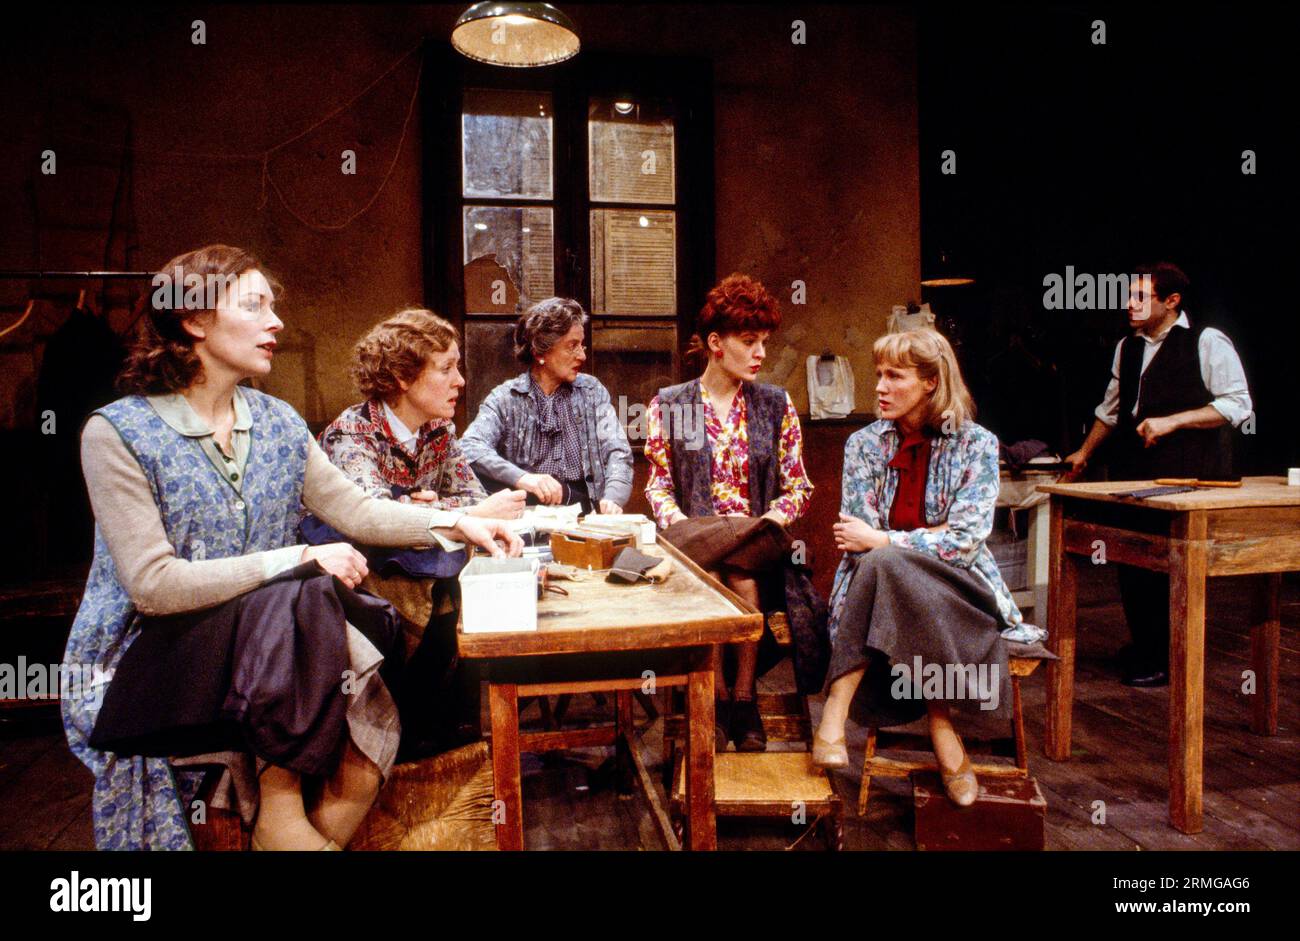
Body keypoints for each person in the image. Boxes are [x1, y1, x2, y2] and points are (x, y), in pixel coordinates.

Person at [60, 245, 521, 851]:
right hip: (150, 655)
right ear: (194, 320)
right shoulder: (118, 432)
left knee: (357, 706)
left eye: (273, 307)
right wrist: (297, 559)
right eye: (254, 306)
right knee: (302, 588)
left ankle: (292, 829)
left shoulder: (276, 421)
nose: (276, 321)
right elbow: (154, 586)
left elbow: (353, 510)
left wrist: (457, 525)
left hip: (267, 646)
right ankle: (279, 798)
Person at [811, 328, 1041, 807]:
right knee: (885, 564)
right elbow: (858, 542)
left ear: (931, 382)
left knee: (887, 557)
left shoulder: (977, 445)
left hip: (959, 589)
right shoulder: (863, 445)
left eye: (894, 376)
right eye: (878, 375)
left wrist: (886, 539)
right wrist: (915, 538)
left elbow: (964, 543)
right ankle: (942, 724)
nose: (879, 387)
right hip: (876, 585)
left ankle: (837, 706)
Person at [313, 308, 525, 754]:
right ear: (404, 378)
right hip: (358, 583)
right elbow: (370, 517)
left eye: (459, 367)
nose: (460, 381)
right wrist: (440, 510)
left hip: (424, 566)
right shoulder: (352, 433)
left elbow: (472, 498)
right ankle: (396, 739)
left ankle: (450, 734)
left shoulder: (439, 431)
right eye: (446, 368)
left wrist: (429, 506)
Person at [644, 273, 827, 753]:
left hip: (758, 536)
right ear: (715, 344)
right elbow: (659, 486)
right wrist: (681, 526)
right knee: (723, 570)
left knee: (740, 567)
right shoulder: (672, 404)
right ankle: (728, 697)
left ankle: (736, 697)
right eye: (749, 342)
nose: (761, 353)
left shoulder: (774, 405)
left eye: (764, 341)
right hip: (694, 539)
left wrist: (773, 520)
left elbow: (799, 486)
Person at [1062, 263, 1251, 686]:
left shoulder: (1206, 342)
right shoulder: (1127, 347)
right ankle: (1146, 646)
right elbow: (1111, 411)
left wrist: (1173, 421)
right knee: (1133, 560)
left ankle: (1168, 656)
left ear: (1171, 301)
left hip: (1188, 472)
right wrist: (1084, 453)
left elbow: (1238, 405)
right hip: (1135, 471)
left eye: (1140, 297)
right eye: (1129, 295)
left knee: (1170, 566)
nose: (1128, 304)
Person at [460, 297, 632, 515]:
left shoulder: (591, 391)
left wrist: (614, 497)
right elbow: (470, 446)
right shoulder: (506, 398)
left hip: (585, 516)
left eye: (582, 345)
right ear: (540, 352)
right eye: (572, 346)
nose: (582, 355)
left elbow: (618, 451)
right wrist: (523, 478)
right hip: (525, 517)